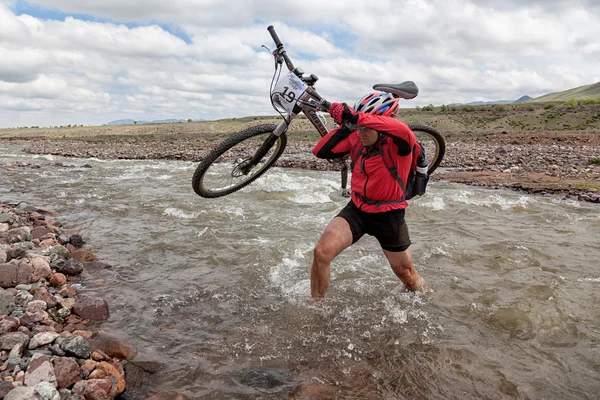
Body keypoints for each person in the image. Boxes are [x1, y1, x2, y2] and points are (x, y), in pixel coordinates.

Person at [310, 91, 425, 298]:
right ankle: (315, 309)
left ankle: (423, 298)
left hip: (388, 215)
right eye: (359, 128)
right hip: (358, 209)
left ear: (381, 124)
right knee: (321, 253)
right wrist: (347, 126)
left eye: (367, 127)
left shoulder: (401, 141)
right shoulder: (357, 138)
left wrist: (356, 117)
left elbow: (400, 128)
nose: (361, 132)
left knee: (407, 276)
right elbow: (320, 151)